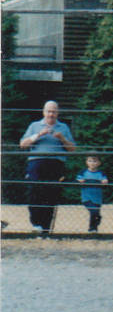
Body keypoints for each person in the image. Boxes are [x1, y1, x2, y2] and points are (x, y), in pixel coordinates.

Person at [19, 101, 76, 236]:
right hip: (37, 162)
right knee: (34, 192)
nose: (51, 114)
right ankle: (36, 223)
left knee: (51, 194)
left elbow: (72, 149)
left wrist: (62, 138)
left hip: (55, 163)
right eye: (49, 111)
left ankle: (46, 228)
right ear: (43, 112)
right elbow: (22, 145)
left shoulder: (64, 127)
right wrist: (38, 135)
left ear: (58, 113)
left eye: (54, 111)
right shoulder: (34, 126)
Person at [76, 154, 109, 234]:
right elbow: (78, 179)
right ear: (86, 162)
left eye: (95, 161)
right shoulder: (83, 172)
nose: (92, 163)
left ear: (99, 163)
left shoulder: (101, 173)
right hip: (87, 197)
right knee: (94, 211)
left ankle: (94, 229)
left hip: (97, 197)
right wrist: (81, 181)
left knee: (94, 213)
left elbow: (105, 180)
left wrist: (104, 181)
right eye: (90, 161)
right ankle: (92, 228)